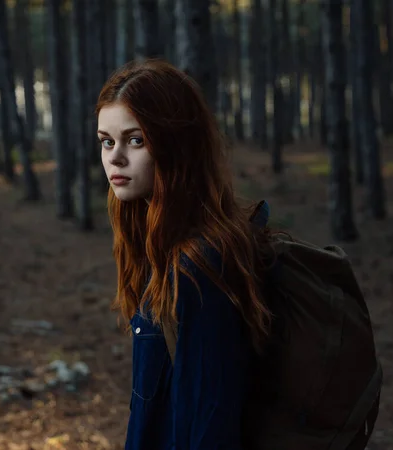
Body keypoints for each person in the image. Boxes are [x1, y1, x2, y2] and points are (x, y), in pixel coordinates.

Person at [97, 59, 273, 450]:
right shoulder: (157, 247)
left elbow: (209, 426)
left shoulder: (197, 265)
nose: (116, 157)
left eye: (136, 140)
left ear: (175, 145)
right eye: (107, 141)